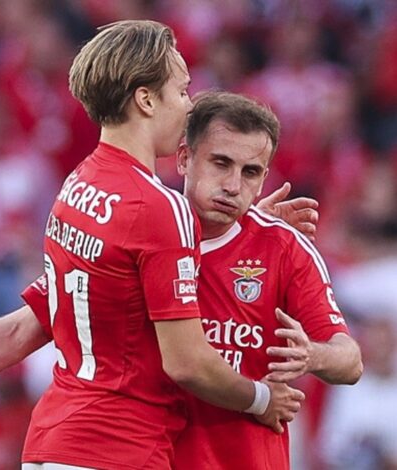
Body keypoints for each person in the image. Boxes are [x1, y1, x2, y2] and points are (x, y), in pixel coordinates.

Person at [0, 20, 305, 469]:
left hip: (55, 444)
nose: (189, 108)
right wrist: (262, 398)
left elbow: (31, 322)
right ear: (146, 99)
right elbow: (187, 363)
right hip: (118, 449)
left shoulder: (78, 188)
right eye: (182, 91)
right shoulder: (157, 208)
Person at [167, 91, 362, 469]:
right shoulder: (146, 235)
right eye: (220, 163)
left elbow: (350, 361)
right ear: (184, 159)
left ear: (264, 179)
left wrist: (312, 354)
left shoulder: (283, 247)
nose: (233, 185)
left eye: (250, 172)